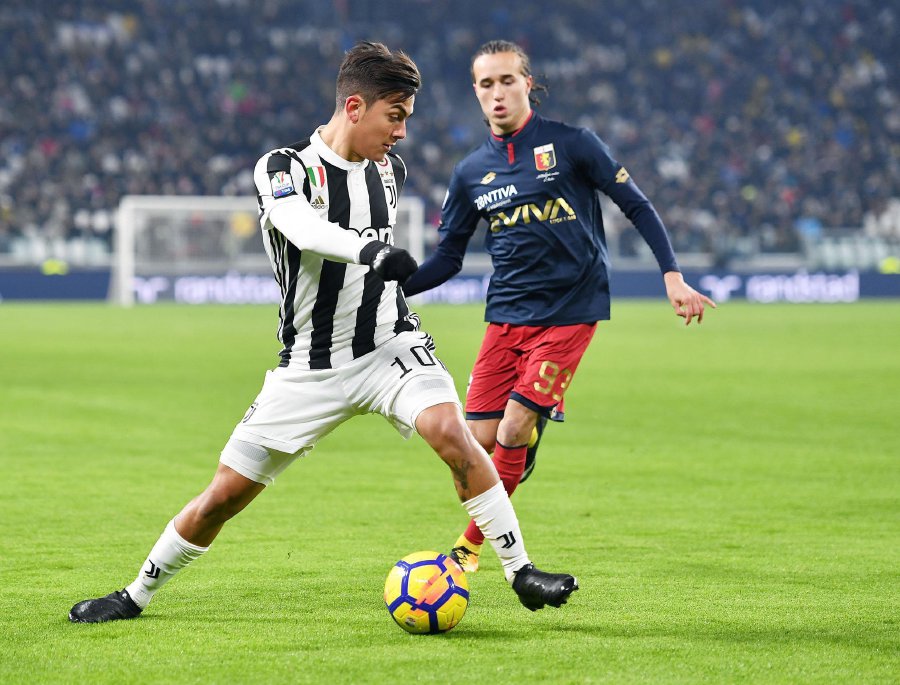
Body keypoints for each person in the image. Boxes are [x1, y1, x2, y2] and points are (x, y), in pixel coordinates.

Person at [68, 41, 578, 623]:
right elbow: (299, 225)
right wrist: (371, 249)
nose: (403, 132)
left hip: (390, 345)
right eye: (396, 115)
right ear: (354, 107)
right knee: (224, 497)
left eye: (408, 117)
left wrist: (381, 264)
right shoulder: (282, 168)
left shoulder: (390, 171)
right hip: (309, 365)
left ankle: (521, 572)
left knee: (451, 433)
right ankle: (134, 593)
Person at [403, 40, 716, 573]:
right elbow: (449, 259)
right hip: (505, 315)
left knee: (510, 430)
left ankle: (470, 548)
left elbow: (635, 204)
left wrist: (672, 274)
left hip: (571, 309)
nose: (497, 93)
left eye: (507, 81)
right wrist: (392, 286)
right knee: (472, 452)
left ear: (529, 84)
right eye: (486, 84)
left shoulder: (573, 145)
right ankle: (523, 444)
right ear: (475, 93)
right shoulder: (470, 172)